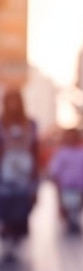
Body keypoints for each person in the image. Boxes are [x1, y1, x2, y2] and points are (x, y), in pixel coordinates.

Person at [0, 89, 39, 261]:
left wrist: (36, 171)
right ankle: (7, 232)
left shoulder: (30, 124)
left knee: (24, 203)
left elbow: (36, 148)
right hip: (5, 171)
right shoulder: (1, 123)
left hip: (25, 170)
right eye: (10, 100)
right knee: (6, 203)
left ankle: (17, 233)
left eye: (16, 100)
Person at [48, 128, 83, 233]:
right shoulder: (61, 152)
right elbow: (55, 169)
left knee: (82, 202)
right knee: (64, 203)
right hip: (65, 184)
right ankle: (66, 216)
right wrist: (56, 179)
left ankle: (76, 217)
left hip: (81, 184)